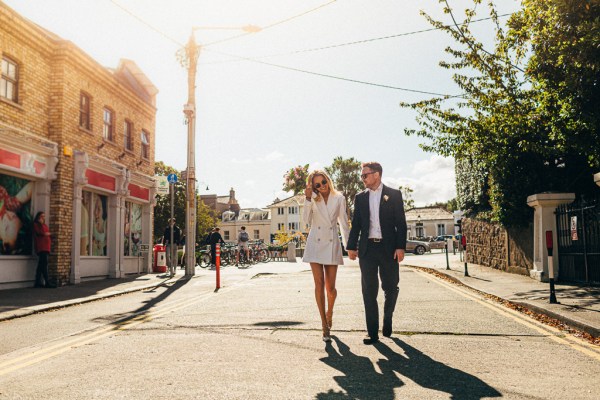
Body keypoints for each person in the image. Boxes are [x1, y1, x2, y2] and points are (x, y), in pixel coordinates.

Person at [346, 162, 407, 345]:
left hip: (388, 249)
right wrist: (351, 246)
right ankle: (372, 333)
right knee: (368, 291)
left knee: (391, 287)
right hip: (367, 249)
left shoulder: (394, 195)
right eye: (362, 176)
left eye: (365, 175)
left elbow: (401, 223)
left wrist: (400, 247)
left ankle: (387, 318)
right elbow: (356, 223)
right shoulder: (360, 197)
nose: (362, 178)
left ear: (377, 175)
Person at [303, 170, 350, 342]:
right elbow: (305, 221)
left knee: (331, 288)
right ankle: (324, 324)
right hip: (315, 244)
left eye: (323, 182)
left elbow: (343, 223)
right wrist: (307, 199)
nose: (322, 186)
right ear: (312, 186)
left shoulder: (339, 198)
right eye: (317, 184)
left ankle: (330, 311)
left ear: (328, 180)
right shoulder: (312, 199)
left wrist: (349, 246)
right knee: (319, 284)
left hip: (331, 245)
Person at [0, 182, 33, 255]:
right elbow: (33, 186)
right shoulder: (11, 205)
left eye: (7, 228)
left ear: (3, 242)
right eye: (14, 216)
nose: (10, 216)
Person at [33, 211, 52, 288]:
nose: (43, 218)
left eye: (44, 216)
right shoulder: (36, 225)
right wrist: (45, 233)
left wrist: (48, 235)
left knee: (41, 265)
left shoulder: (45, 225)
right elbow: (40, 233)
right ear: (38, 218)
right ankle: (47, 282)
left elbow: (48, 234)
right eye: (41, 216)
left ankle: (37, 282)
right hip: (41, 247)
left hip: (46, 247)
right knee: (44, 265)